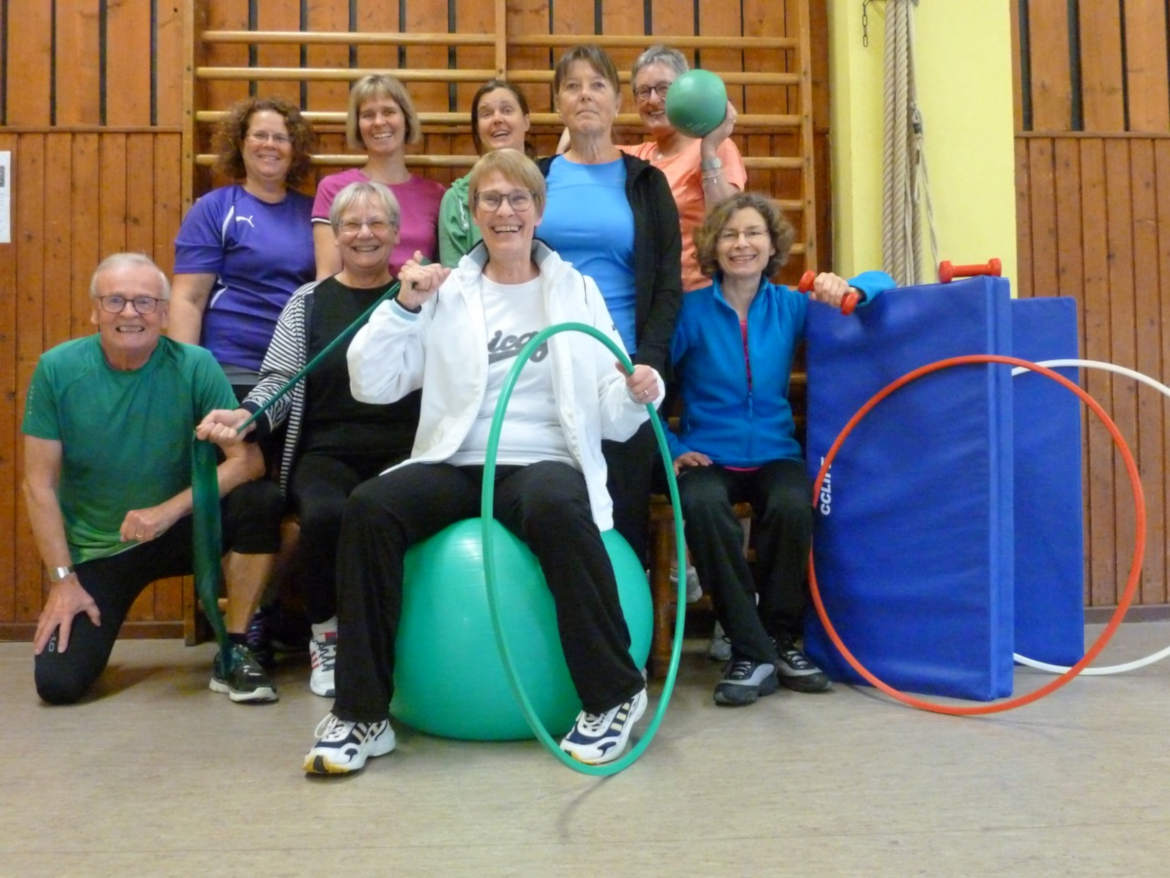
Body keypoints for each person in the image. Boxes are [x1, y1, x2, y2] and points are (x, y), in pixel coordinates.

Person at [302, 149, 663, 775]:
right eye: (491, 200)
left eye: (518, 199)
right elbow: (373, 381)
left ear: (538, 210)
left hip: (543, 459)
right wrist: (402, 306)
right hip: (458, 459)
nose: (506, 211)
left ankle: (615, 694)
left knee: (556, 501)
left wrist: (638, 395)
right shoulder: (444, 290)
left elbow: (609, 409)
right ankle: (362, 712)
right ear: (472, 214)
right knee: (369, 508)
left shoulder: (579, 290)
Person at [22, 253, 284, 705]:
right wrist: (63, 581)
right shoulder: (56, 369)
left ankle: (235, 649)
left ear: (164, 314)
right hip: (102, 547)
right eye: (116, 301)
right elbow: (37, 485)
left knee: (259, 501)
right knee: (58, 684)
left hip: (183, 530)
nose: (130, 313)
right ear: (93, 310)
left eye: (145, 302)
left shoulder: (197, 365)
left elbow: (248, 462)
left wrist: (167, 512)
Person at [668, 193, 894, 706]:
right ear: (713, 246)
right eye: (729, 234)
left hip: (775, 453)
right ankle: (751, 650)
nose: (741, 244)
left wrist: (851, 286)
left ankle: (781, 639)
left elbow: (885, 283)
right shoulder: (690, 312)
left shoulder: (792, 305)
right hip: (708, 455)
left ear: (772, 246)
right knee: (701, 504)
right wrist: (673, 445)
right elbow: (646, 388)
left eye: (753, 233)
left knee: (794, 504)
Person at [197, 182, 419, 700]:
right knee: (323, 516)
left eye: (377, 223)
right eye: (352, 224)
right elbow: (279, 380)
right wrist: (247, 415)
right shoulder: (308, 302)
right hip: (327, 453)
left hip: (407, 452)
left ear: (395, 232)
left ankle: (402, 642)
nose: (365, 234)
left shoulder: (416, 296)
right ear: (336, 234)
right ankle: (328, 638)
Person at [536, 44, 682, 565]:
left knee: (622, 524)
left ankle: (628, 641)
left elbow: (668, 286)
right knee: (552, 515)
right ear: (557, 103)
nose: (585, 95)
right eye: (572, 85)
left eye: (597, 84)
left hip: (622, 375)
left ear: (617, 101)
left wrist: (649, 362)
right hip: (542, 373)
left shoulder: (646, 183)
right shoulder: (537, 177)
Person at [170, 96, 316, 399]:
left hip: (293, 369)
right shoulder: (215, 208)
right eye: (260, 135)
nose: (270, 145)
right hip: (229, 367)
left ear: (295, 149)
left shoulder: (312, 213)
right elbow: (188, 297)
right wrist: (185, 376)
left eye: (281, 138)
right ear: (240, 143)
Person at [620, 45, 747, 292]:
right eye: (643, 91)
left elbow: (729, 222)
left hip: (701, 297)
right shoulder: (636, 157)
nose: (653, 100)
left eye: (663, 88)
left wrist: (708, 150)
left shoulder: (718, 148)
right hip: (651, 301)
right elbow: (577, 142)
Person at [312, 74, 445, 279]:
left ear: (406, 119)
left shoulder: (435, 194)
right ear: (357, 125)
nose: (379, 122)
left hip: (419, 307)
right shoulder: (334, 189)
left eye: (389, 112)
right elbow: (327, 276)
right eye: (368, 115)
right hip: (353, 309)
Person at [437, 79, 532, 267]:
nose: (497, 119)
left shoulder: (550, 184)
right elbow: (454, 278)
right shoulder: (456, 199)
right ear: (477, 128)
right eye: (486, 113)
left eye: (507, 110)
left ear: (526, 121)